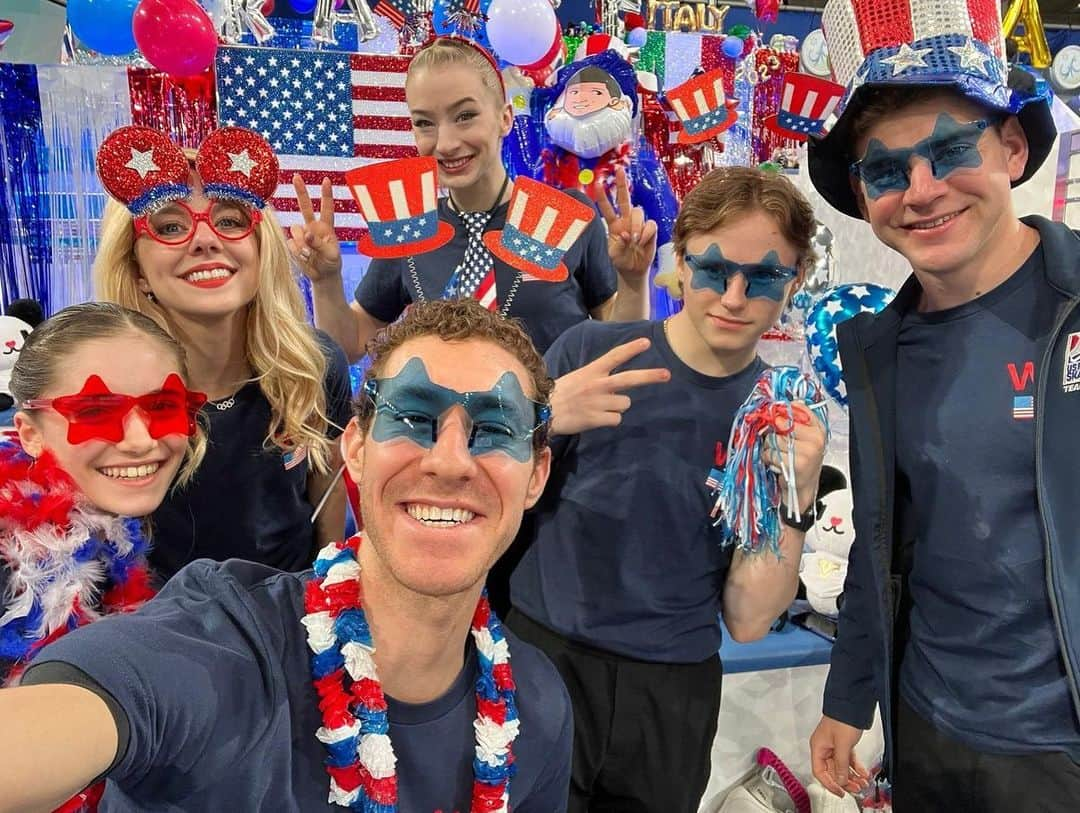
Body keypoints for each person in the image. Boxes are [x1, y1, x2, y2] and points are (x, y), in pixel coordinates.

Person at [0, 299, 573, 813]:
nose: (449, 462)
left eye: (496, 428)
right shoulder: (225, 646)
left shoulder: (538, 704)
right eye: (413, 419)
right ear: (353, 449)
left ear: (536, 476)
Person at [805, 0, 1080, 808]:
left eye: (951, 149)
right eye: (887, 170)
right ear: (863, 196)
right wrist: (848, 695)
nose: (921, 190)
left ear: (1013, 147)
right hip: (925, 728)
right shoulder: (880, 350)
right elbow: (880, 538)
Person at [506, 166, 828, 812]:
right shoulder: (592, 354)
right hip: (543, 657)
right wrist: (534, 420)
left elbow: (748, 618)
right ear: (681, 261)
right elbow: (486, 502)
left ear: (793, 282)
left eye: (762, 277)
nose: (734, 296)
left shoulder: (774, 416)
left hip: (671, 692)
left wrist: (796, 496)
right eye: (714, 269)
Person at [93, 124, 353, 580]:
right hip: (154, 631)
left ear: (260, 247)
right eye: (170, 226)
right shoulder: (102, 395)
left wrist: (333, 595)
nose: (204, 239)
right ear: (137, 271)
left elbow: (327, 495)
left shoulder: (314, 365)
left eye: (230, 221)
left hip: (288, 621)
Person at [294, 36, 657, 362]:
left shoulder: (567, 216)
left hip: (551, 434)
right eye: (424, 123)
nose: (446, 143)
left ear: (504, 118)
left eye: (465, 116)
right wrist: (326, 282)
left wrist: (633, 280)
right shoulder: (410, 227)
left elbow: (618, 348)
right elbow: (351, 343)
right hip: (443, 435)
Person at [1, 302, 207, 809]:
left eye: (163, 406)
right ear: (29, 432)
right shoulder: (12, 558)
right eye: (94, 412)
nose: (140, 440)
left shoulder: (123, 530)